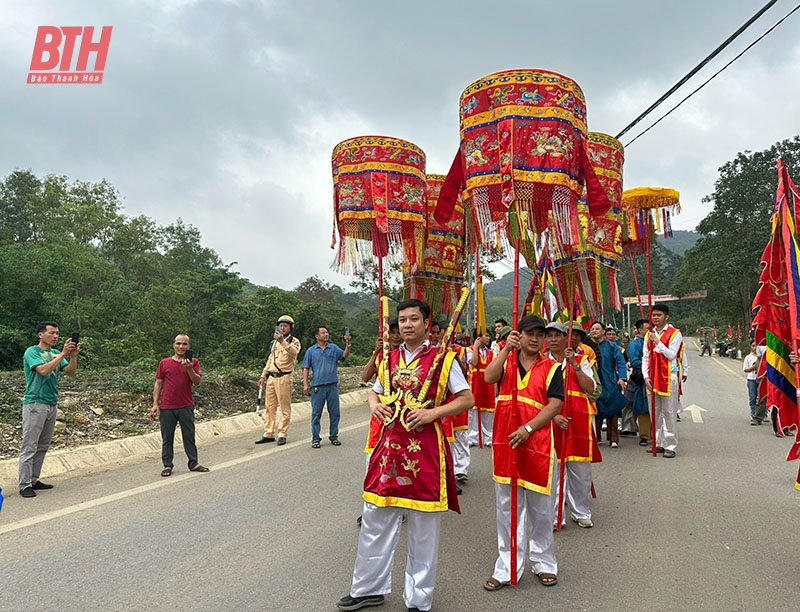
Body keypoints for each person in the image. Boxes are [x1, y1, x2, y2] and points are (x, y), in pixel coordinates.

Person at [337, 299, 472, 612]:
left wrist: (433, 413)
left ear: (427, 324)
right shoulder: (390, 357)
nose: (407, 325)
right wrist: (375, 406)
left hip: (425, 451)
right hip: (388, 448)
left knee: (424, 526)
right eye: (402, 320)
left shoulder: (444, 359)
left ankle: (418, 599)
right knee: (374, 517)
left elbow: (466, 399)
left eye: (414, 319)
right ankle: (367, 588)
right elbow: (375, 390)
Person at [482, 314, 563, 590]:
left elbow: (554, 406)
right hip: (506, 444)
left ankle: (543, 562)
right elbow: (487, 377)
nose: (536, 338)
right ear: (520, 335)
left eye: (540, 334)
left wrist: (527, 429)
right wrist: (505, 349)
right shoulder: (507, 362)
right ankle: (507, 566)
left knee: (541, 510)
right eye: (530, 333)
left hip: (537, 444)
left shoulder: (551, 368)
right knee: (507, 509)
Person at [546, 322, 600, 529]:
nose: (552, 340)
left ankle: (580, 511)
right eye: (548, 336)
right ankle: (554, 516)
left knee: (580, 471)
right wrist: (553, 416)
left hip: (578, 421)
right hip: (551, 421)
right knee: (554, 471)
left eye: (557, 336)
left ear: (565, 338)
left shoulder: (582, 360)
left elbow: (590, 389)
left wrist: (575, 365)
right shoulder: (541, 362)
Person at [18, 321, 79, 498]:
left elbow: (70, 372)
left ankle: (34, 479)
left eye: (57, 333)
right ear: (40, 334)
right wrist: (62, 354)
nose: (55, 336)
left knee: (43, 445)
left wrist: (73, 356)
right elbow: (43, 370)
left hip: (51, 402)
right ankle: (24, 484)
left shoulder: (54, 353)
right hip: (35, 403)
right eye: (51, 333)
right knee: (30, 445)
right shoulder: (32, 352)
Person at [149, 334, 209, 476]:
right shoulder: (164, 363)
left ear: (188, 346)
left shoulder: (193, 362)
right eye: (178, 344)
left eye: (184, 344)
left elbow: (197, 381)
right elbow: (158, 383)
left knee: (189, 436)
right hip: (167, 406)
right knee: (167, 437)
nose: (181, 347)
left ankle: (193, 462)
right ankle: (167, 465)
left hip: (186, 405)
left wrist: (189, 368)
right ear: (173, 345)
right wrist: (155, 404)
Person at [642, 304, 683, 458]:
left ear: (666, 317)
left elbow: (671, 355)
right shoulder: (648, 335)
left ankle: (670, 445)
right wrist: (646, 376)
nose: (655, 318)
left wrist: (657, 342)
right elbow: (645, 357)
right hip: (652, 377)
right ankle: (658, 442)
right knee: (655, 412)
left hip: (667, 377)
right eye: (653, 315)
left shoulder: (675, 334)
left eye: (659, 315)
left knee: (669, 412)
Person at [255, 315, 302, 446]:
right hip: (271, 377)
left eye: (285, 326)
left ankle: (282, 433)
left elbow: (294, 353)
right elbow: (271, 359)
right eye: (281, 325)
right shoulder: (274, 341)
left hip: (284, 377)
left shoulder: (294, 341)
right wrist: (263, 375)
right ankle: (268, 433)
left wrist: (282, 341)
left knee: (284, 407)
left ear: (290, 328)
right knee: (269, 407)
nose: (283, 328)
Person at [302, 326, 351, 448]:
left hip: (332, 385)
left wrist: (348, 343)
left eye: (327, 332)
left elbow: (344, 356)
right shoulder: (311, 351)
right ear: (317, 336)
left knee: (335, 413)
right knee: (316, 414)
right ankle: (315, 439)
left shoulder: (333, 348)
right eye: (323, 332)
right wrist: (305, 384)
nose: (326, 334)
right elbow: (305, 368)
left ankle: (334, 436)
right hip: (318, 387)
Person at [591, 322, 627, 448]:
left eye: (597, 329)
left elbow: (620, 362)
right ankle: (596, 437)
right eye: (592, 329)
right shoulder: (587, 347)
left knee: (612, 409)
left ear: (603, 332)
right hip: (594, 382)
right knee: (595, 410)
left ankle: (613, 439)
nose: (594, 331)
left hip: (610, 380)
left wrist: (622, 378)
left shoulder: (612, 346)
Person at [625, 319, 652, 447]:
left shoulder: (653, 342)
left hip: (654, 377)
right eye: (647, 329)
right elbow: (635, 361)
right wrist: (650, 365)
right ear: (640, 330)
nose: (649, 331)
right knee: (643, 408)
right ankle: (644, 436)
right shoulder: (635, 344)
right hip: (642, 379)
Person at [467, 331, 496, 447]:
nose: (488, 338)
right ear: (479, 337)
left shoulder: (491, 353)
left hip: (487, 383)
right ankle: (472, 437)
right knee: (473, 412)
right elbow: (473, 362)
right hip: (475, 382)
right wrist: (475, 347)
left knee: (489, 412)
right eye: (486, 336)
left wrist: (495, 387)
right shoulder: (469, 350)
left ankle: (489, 438)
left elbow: (494, 369)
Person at [743, 341, 761, 424]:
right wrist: (754, 367)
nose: (755, 348)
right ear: (750, 347)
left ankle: (763, 414)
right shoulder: (748, 357)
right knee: (753, 397)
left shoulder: (762, 357)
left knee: (762, 398)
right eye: (753, 346)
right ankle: (753, 414)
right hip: (751, 379)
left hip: (761, 379)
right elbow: (745, 370)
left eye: (756, 346)